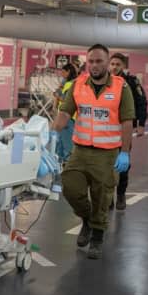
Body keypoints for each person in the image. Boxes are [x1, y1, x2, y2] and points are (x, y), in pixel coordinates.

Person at [51, 44, 135, 260]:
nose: (95, 65)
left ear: (107, 63)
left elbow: (127, 122)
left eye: (99, 61)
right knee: (69, 187)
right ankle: (87, 219)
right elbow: (65, 112)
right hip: (80, 149)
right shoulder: (78, 84)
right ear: (86, 62)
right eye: (91, 61)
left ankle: (97, 235)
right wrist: (50, 134)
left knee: (102, 195)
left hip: (107, 153)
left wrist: (124, 152)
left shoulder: (120, 87)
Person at [108, 53, 148, 211]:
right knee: (106, 165)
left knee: (122, 163)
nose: (115, 67)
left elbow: (141, 102)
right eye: (112, 64)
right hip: (105, 130)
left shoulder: (131, 82)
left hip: (124, 129)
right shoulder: (104, 81)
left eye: (118, 64)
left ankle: (121, 195)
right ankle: (108, 196)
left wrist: (141, 124)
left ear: (123, 66)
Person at [54, 63, 78, 164]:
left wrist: (58, 94)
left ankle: (66, 164)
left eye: (64, 72)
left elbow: (65, 99)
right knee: (59, 142)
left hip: (68, 118)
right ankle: (58, 163)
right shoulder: (66, 83)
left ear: (69, 72)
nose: (62, 74)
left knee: (66, 144)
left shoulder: (71, 84)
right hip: (64, 116)